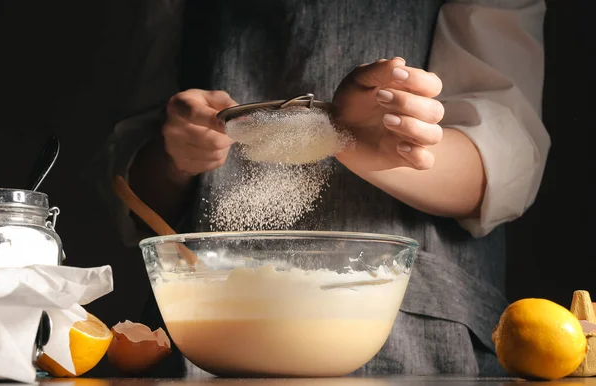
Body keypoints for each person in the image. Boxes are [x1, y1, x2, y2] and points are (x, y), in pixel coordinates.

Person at [88, 0, 549, 377]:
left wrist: (360, 142)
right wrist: (174, 159)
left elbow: (506, 165)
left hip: (408, 336)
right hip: (205, 332)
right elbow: (131, 189)